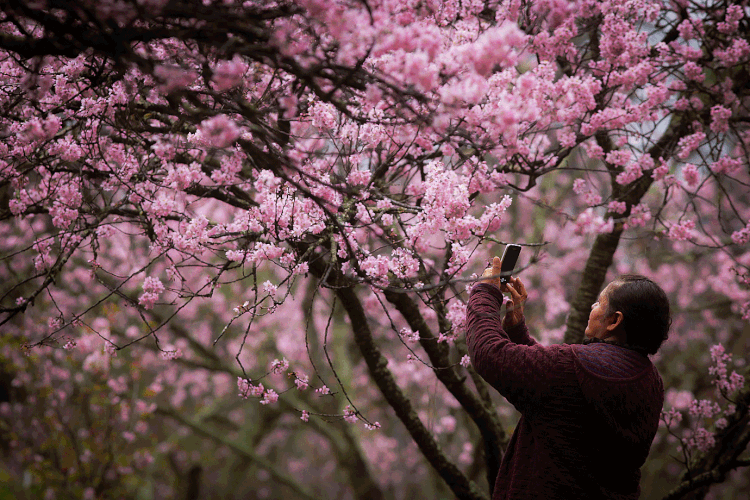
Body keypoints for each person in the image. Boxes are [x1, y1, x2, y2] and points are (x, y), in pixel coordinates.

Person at [466, 256, 669, 500]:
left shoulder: (572, 367)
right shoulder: (651, 383)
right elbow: (560, 400)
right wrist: (517, 331)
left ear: (614, 321)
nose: (592, 307)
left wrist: (485, 291)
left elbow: (489, 354)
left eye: (599, 303)